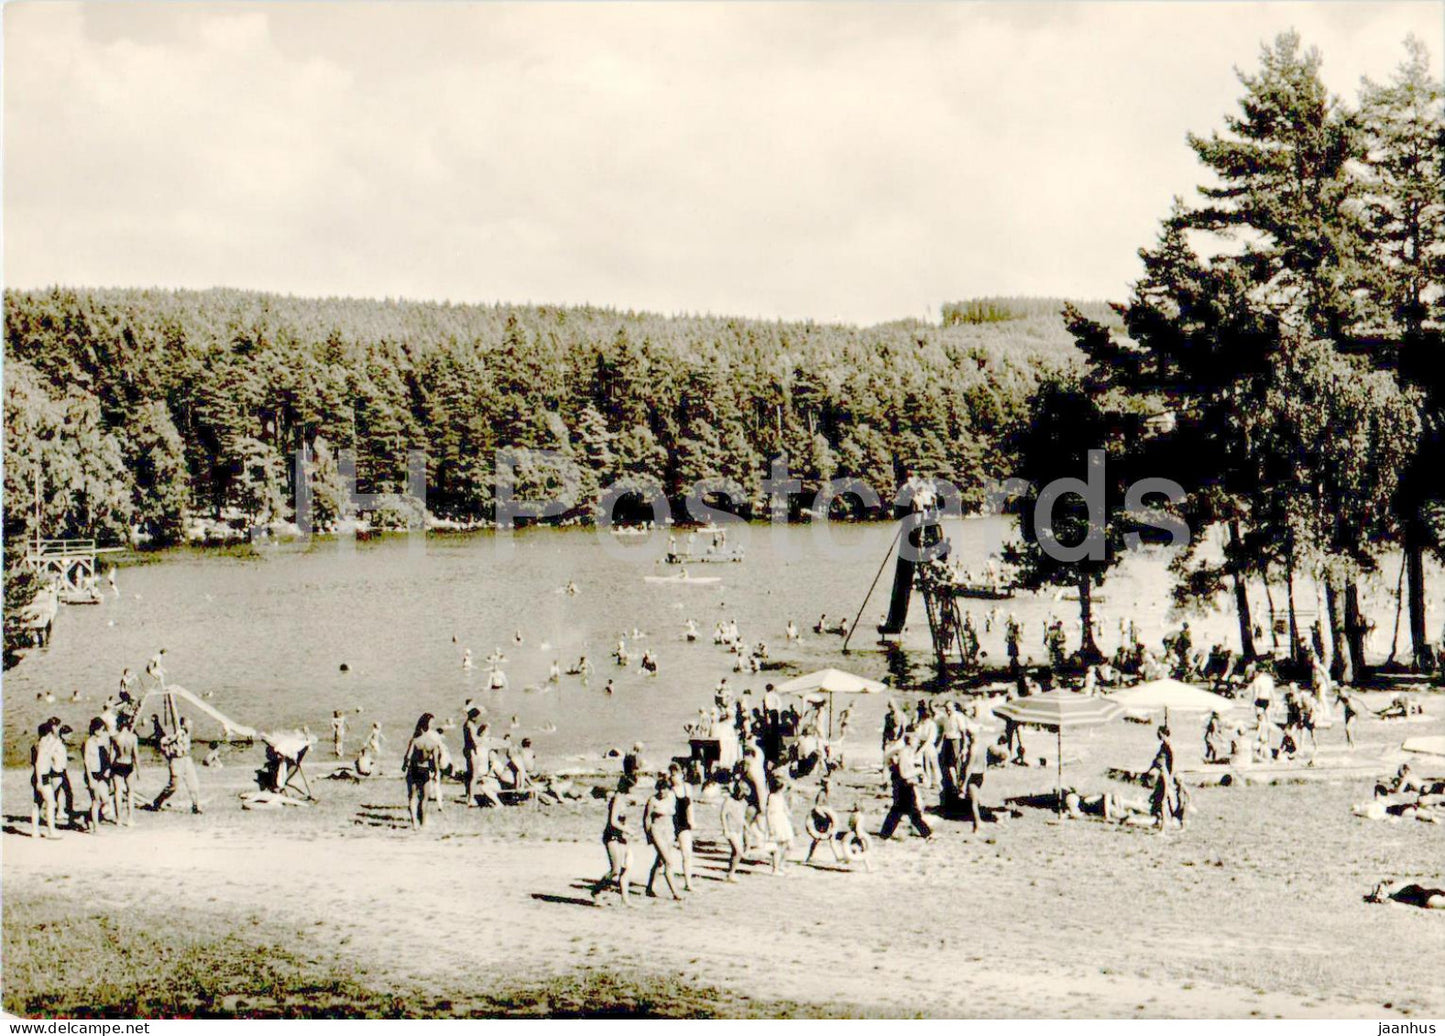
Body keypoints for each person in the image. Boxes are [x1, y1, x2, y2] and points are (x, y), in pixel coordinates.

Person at [880, 728, 932, 841]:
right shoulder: (904, 753)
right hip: (903, 786)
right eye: (917, 740)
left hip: (904, 785)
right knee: (908, 811)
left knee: (901, 811)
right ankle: (927, 833)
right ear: (911, 740)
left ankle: (885, 834)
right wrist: (918, 772)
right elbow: (904, 774)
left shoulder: (907, 752)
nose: (918, 742)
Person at [591, 776, 636, 906]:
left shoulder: (624, 799)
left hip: (620, 836)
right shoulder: (617, 799)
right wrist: (627, 829)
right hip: (611, 835)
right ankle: (597, 890)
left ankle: (625, 900)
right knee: (615, 870)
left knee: (624, 869)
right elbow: (613, 821)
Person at [401, 713, 451, 829]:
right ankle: (423, 823)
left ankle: (414, 822)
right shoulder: (432, 742)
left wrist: (404, 766)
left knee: (413, 796)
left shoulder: (415, 740)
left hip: (414, 769)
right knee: (424, 798)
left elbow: (408, 756)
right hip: (425, 770)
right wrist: (436, 773)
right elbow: (435, 762)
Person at [150, 716, 202, 814]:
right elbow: (162, 742)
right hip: (176, 760)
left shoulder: (186, 733)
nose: (191, 726)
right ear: (183, 725)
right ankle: (157, 802)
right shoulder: (176, 734)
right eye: (189, 724)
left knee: (193, 783)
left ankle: (196, 806)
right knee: (173, 786)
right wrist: (174, 737)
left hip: (186, 759)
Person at [643, 777, 683, 900]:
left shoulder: (672, 797)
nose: (662, 792)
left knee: (660, 861)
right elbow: (647, 818)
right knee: (668, 861)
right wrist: (648, 835)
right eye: (660, 789)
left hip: (669, 832)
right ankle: (675, 892)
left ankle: (649, 887)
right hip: (657, 831)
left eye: (664, 789)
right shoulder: (652, 800)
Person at [30, 720, 65, 838]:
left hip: (37, 776)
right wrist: (40, 781)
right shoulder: (44, 744)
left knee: (37, 803)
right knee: (51, 803)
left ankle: (35, 831)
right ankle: (51, 831)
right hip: (42, 776)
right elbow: (39, 762)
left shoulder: (40, 743)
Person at [82, 718, 114, 832]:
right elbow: (86, 762)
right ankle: (96, 827)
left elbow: (105, 757)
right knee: (96, 801)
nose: (102, 732)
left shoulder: (102, 741)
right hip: (93, 774)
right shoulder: (88, 743)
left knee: (105, 799)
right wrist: (90, 778)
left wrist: (108, 769)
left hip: (102, 773)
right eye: (101, 730)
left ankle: (89, 818)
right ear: (95, 730)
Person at [960, 709, 989, 834]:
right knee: (975, 799)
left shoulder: (973, 748)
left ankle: (977, 823)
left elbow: (969, 767)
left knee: (973, 802)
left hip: (972, 775)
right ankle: (979, 821)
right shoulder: (983, 745)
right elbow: (985, 763)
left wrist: (963, 784)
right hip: (980, 773)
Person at [668, 763, 696, 892]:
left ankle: (688, 883)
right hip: (670, 824)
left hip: (684, 824)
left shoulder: (687, 788)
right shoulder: (669, 791)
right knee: (663, 858)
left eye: (675, 775)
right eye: (671, 775)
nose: (673, 777)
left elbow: (690, 805)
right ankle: (652, 884)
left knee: (687, 854)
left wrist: (692, 820)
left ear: (681, 775)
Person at [109, 714, 140, 827]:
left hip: (117, 763)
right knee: (130, 793)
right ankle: (130, 819)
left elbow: (111, 755)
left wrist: (109, 768)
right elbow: (135, 755)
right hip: (128, 764)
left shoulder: (115, 737)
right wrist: (139, 770)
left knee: (118, 792)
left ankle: (118, 819)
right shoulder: (133, 737)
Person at [720, 780, 749, 883]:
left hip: (739, 830)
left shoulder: (743, 802)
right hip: (731, 830)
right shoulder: (729, 801)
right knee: (738, 851)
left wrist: (746, 825)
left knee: (736, 852)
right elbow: (723, 814)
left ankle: (731, 873)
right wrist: (725, 829)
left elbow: (741, 816)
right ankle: (731, 873)